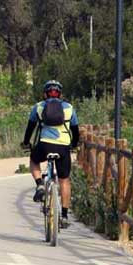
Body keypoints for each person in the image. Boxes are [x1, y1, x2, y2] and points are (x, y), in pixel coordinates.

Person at [21, 79, 80, 228]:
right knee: (64, 180)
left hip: (44, 145)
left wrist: (26, 143)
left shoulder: (39, 107)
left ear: (44, 93)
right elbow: (75, 131)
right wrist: (74, 144)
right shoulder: (69, 108)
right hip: (63, 147)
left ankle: (40, 184)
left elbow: (30, 128)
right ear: (60, 94)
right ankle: (65, 215)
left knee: (34, 160)